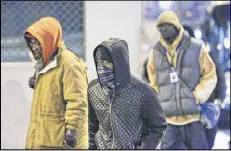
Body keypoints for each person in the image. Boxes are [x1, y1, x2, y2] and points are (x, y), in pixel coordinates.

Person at [146, 11, 217, 149]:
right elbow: (153, 81)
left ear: (176, 25)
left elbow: (210, 74)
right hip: (168, 120)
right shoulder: (155, 52)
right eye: (160, 26)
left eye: (167, 25)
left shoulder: (196, 47)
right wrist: (158, 101)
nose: (163, 29)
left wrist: (197, 96)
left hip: (193, 117)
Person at [88, 38, 167, 149]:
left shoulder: (143, 92)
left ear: (119, 63)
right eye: (99, 62)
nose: (102, 67)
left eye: (106, 62)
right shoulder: (93, 89)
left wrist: (143, 148)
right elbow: (93, 126)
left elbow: (158, 126)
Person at [24, 17, 88, 149]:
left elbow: (77, 100)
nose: (34, 48)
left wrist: (72, 130)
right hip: (43, 139)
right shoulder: (45, 62)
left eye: (38, 42)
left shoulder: (69, 63)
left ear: (49, 40)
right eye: (32, 43)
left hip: (60, 142)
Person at [183, 25, 227, 149]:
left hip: (208, 107)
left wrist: (220, 98)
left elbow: (220, 78)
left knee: (207, 141)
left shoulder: (206, 56)